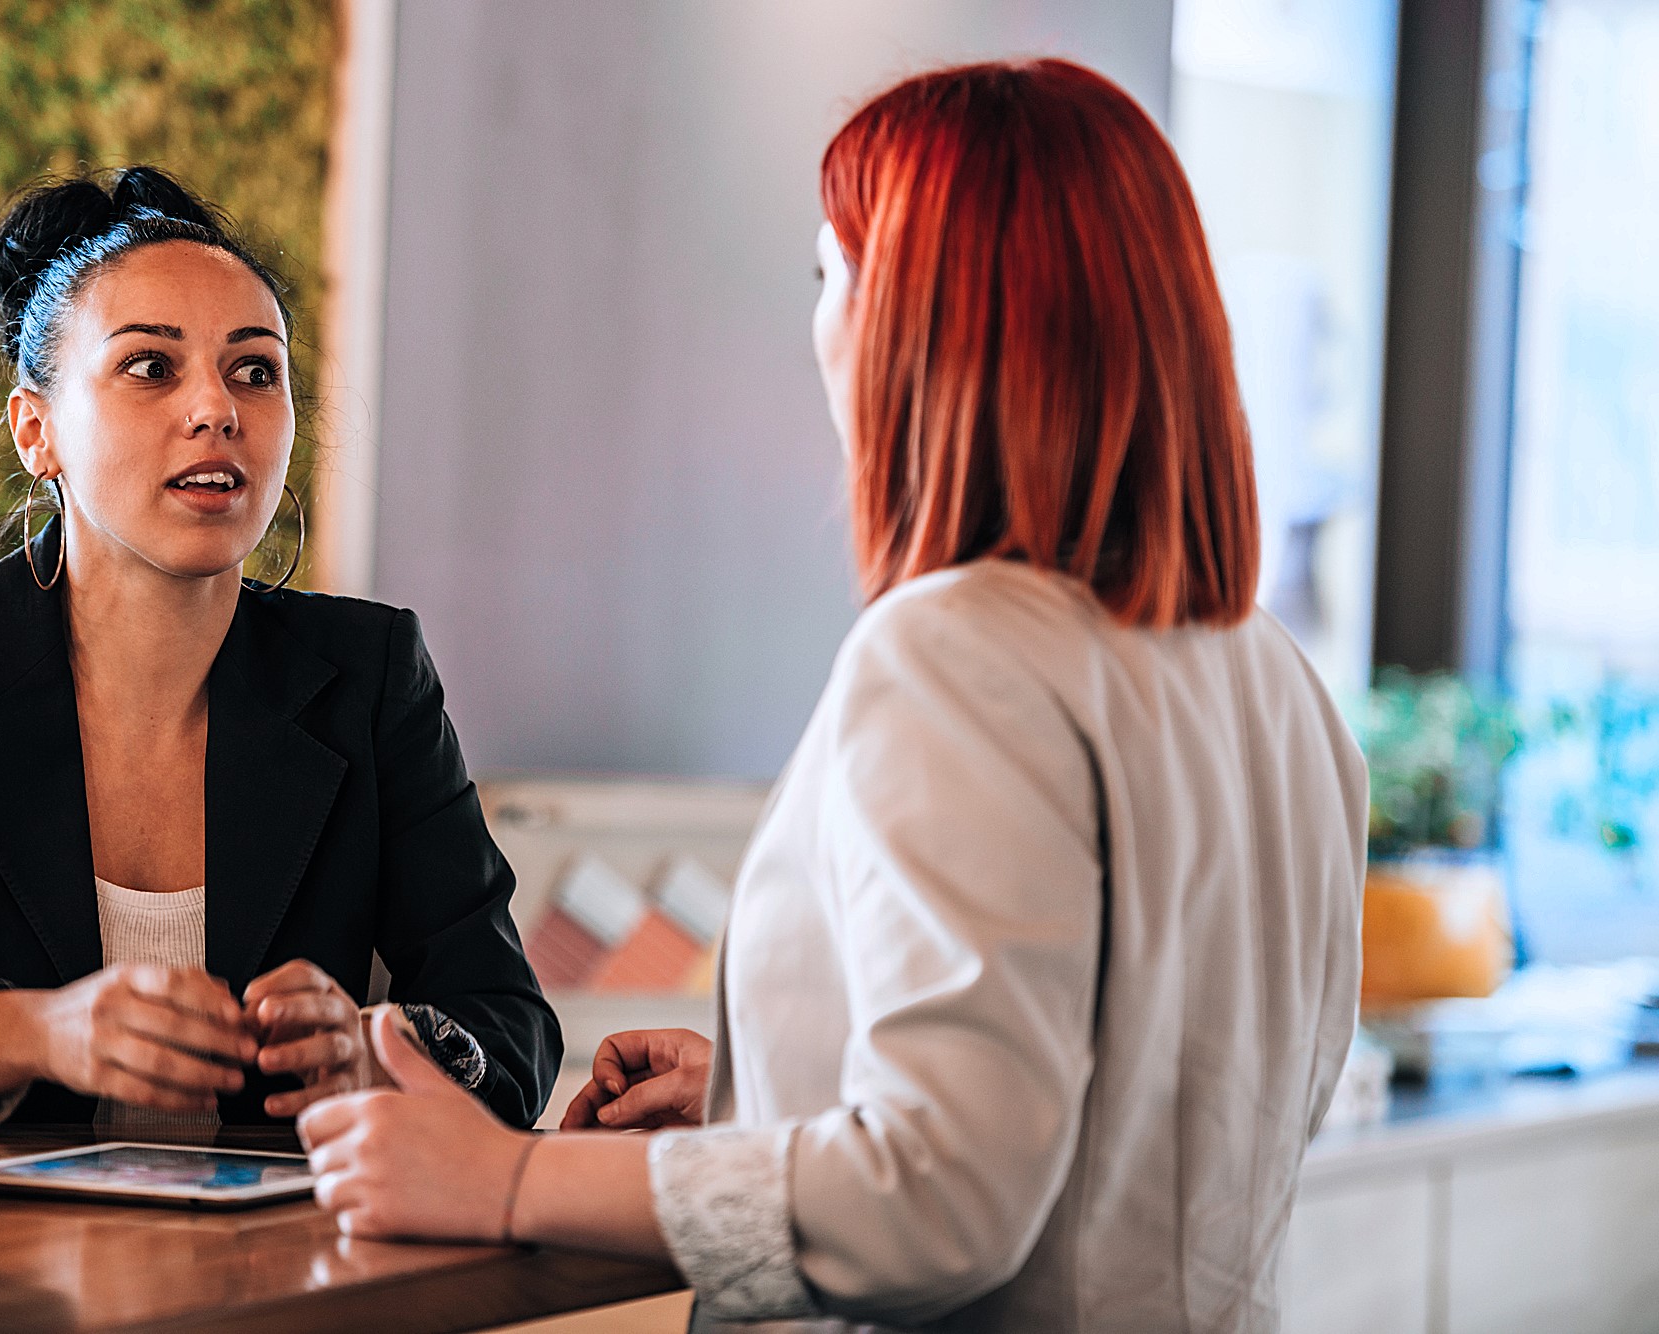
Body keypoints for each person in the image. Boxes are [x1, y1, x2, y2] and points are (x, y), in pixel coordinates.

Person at [296, 60, 1367, 1332]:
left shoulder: (955, 650)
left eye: (828, 275)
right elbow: (1130, 1120)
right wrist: (776, 1099)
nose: (820, 325)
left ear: (917, 316)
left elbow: (940, 1199)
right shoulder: (1269, 675)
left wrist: (512, 1174)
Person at [0, 167, 559, 1135]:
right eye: (151, 367)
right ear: (38, 432)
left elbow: (513, 1031)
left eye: (254, 369)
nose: (217, 409)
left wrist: (371, 1049)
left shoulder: (370, 672)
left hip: (285, 1264)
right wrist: (26, 1029)